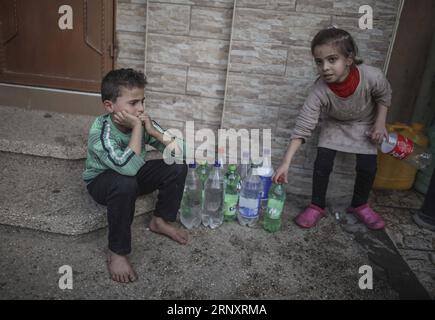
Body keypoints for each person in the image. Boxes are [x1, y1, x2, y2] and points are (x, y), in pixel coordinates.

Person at [272, 27, 392, 230]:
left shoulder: (372, 76)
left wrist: (380, 123)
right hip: (335, 125)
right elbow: (303, 125)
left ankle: (360, 205)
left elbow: (384, 95)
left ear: (349, 59)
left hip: (365, 123)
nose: (325, 67)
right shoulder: (320, 90)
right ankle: (316, 205)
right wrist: (286, 163)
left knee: (367, 167)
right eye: (319, 62)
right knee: (323, 163)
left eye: (332, 59)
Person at [83, 68, 188, 283]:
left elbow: (183, 152)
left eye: (142, 101)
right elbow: (127, 168)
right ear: (109, 106)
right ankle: (117, 252)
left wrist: (155, 133)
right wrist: (138, 130)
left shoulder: (142, 119)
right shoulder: (100, 131)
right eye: (133, 103)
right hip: (102, 181)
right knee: (125, 183)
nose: (140, 108)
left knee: (177, 164)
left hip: (131, 174)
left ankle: (160, 220)